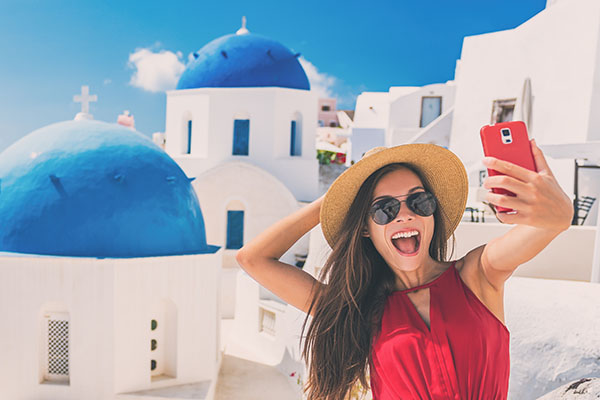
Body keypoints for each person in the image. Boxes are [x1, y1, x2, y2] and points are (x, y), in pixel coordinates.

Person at [236, 142, 573, 400]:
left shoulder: (477, 275)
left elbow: (547, 226)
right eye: (384, 209)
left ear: (432, 213)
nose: (404, 215)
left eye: (419, 202)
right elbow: (253, 259)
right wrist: (335, 199)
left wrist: (559, 213)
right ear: (366, 228)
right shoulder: (360, 310)